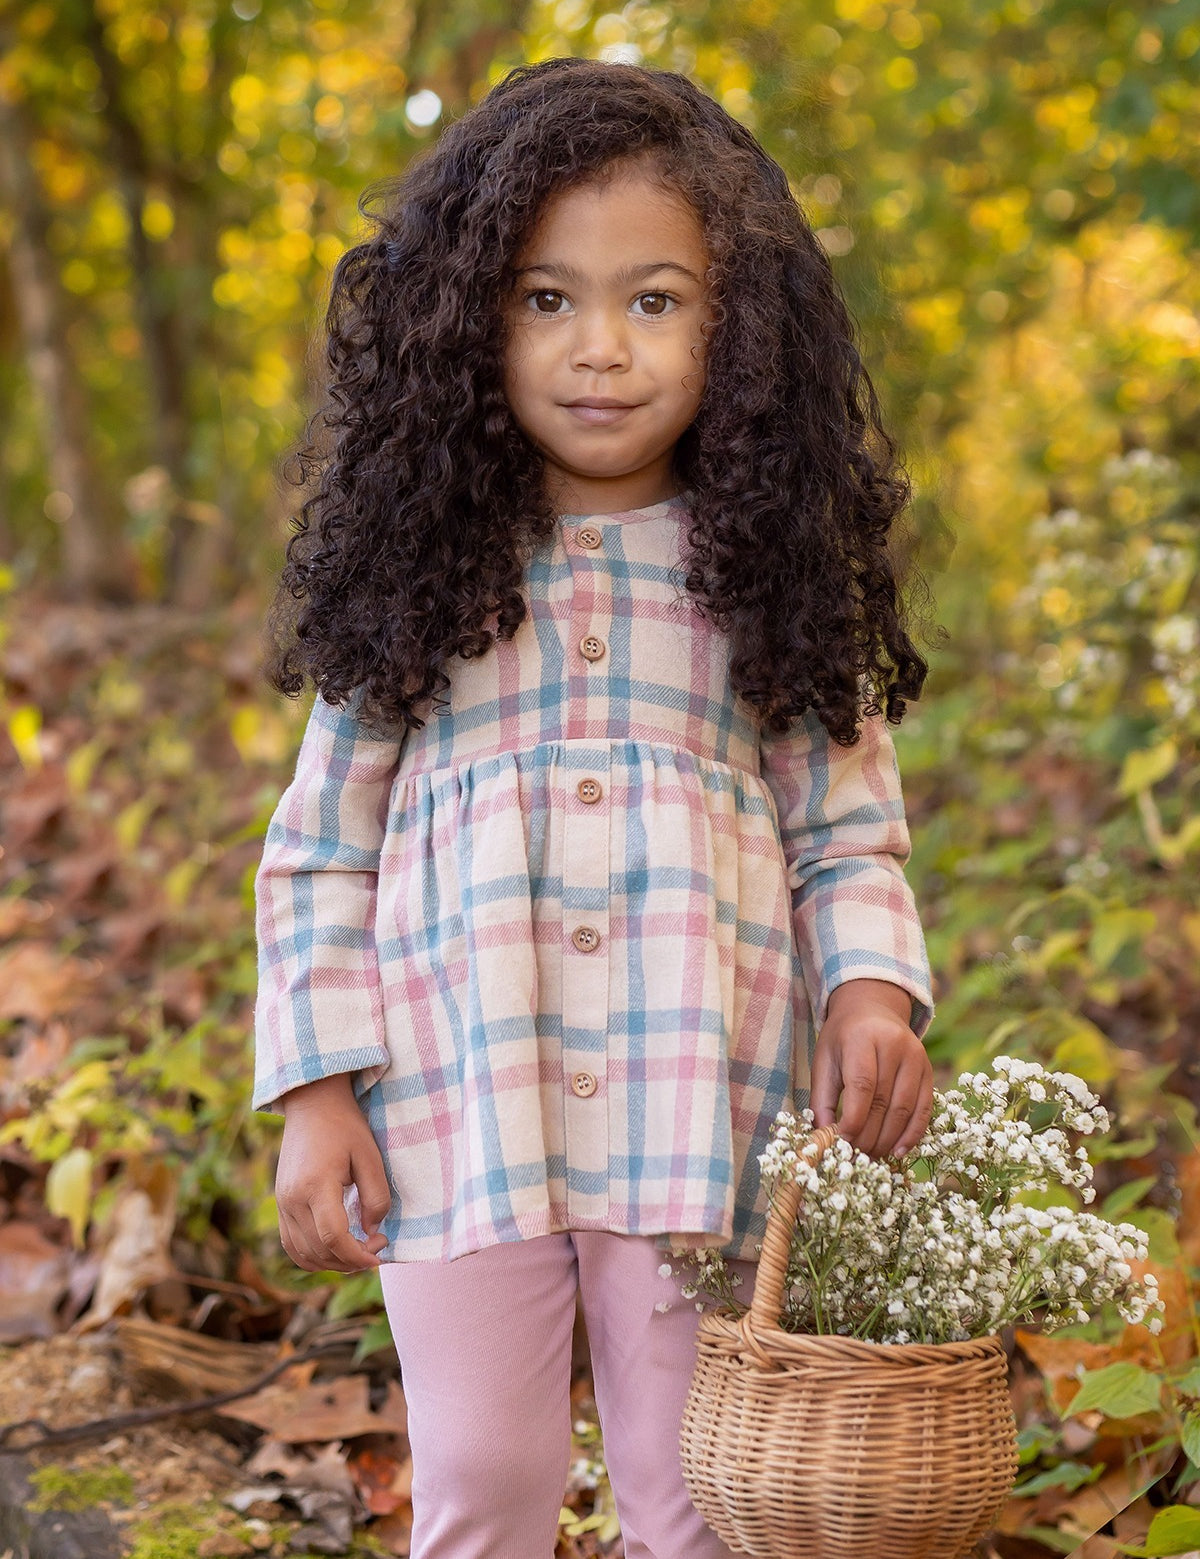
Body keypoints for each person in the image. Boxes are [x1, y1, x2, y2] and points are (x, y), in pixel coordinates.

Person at [253, 56, 936, 1559]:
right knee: (482, 1485)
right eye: (546, 299)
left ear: (736, 327)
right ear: (469, 320)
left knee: (691, 1502)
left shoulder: (765, 572)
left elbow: (847, 829)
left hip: (707, 1108)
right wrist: (317, 1092)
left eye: (657, 300)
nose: (601, 351)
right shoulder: (416, 570)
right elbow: (318, 850)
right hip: (456, 1110)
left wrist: (874, 997)